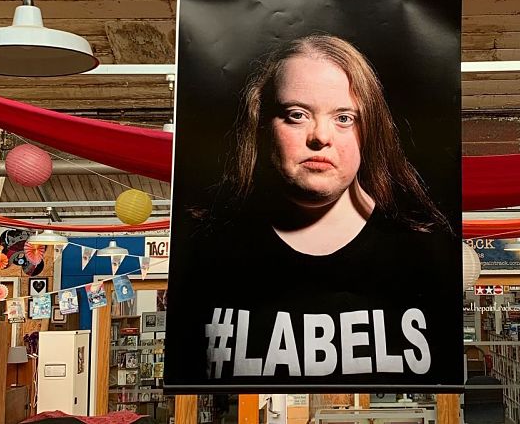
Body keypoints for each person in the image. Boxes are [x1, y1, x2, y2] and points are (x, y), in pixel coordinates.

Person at [167, 34, 460, 387]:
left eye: (344, 118)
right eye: (297, 115)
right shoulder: (204, 249)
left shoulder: (427, 250)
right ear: (262, 127)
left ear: (371, 130)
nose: (320, 136)